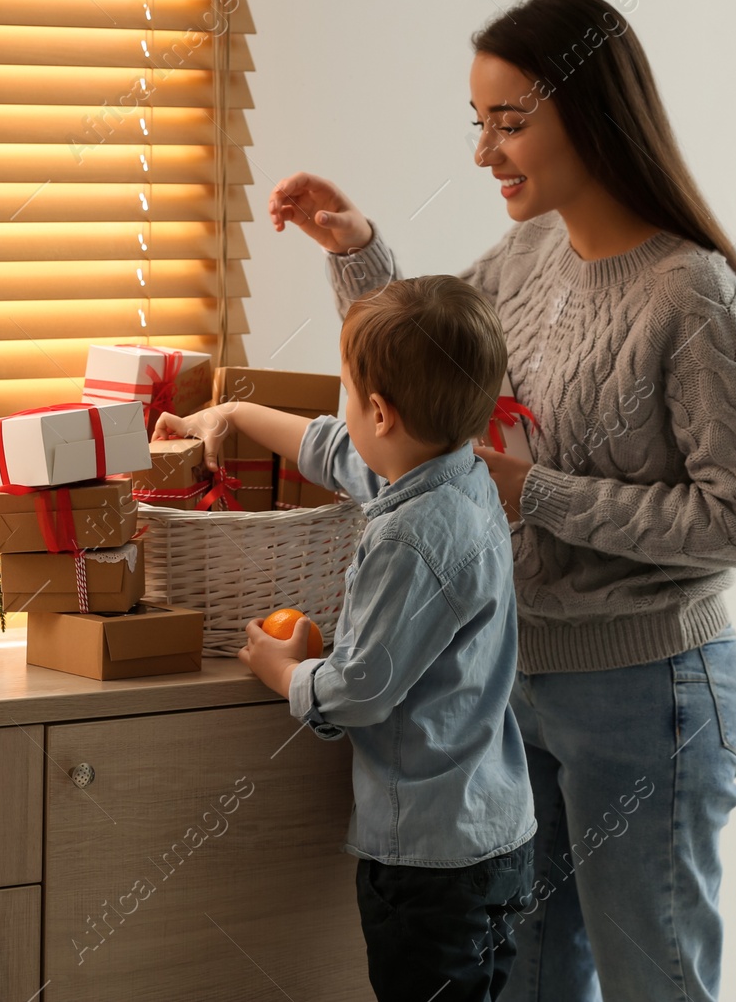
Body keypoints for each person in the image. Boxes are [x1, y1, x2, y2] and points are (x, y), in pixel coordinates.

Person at [263, 0, 736, 1002]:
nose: (486, 152)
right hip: (514, 690)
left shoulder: (688, 293)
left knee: (656, 980)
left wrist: (538, 492)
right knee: (530, 983)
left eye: (510, 124)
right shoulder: (527, 255)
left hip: (650, 700)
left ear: (592, 113)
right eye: (481, 124)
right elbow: (426, 383)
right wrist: (356, 253)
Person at [154, 275, 536, 1001]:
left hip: (430, 862)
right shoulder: (460, 478)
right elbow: (334, 450)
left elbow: (361, 687)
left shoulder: (411, 537)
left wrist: (281, 669)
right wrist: (230, 412)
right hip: (495, 833)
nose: (344, 411)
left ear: (382, 413)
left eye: (349, 393)